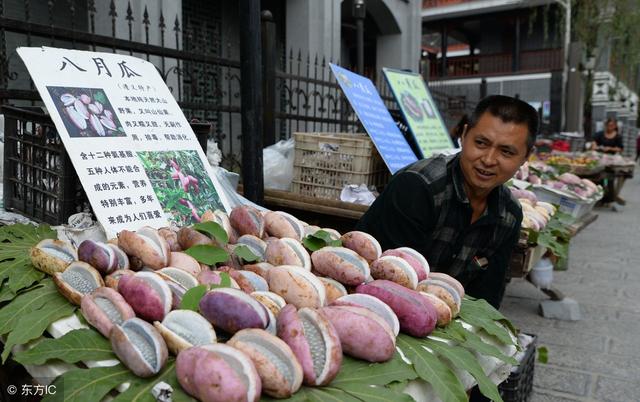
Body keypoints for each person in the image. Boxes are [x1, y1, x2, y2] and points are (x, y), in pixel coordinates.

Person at [356, 95, 538, 309]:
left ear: (526, 157)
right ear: (464, 135)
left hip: (444, 316)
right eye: (481, 143)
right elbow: (386, 278)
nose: (488, 160)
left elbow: (486, 300)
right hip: (374, 305)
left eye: (506, 152)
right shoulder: (418, 187)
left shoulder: (509, 215)